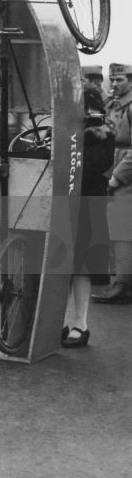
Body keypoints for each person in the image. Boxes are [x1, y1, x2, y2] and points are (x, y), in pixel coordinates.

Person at [62, 85, 113, 346]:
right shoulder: (67, 130)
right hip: (63, 203)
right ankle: (55, 322)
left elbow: (91, 168)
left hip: (87, 203)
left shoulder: (106, 136)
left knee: (82, 267)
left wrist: (83, 137)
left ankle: (80, 324)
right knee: (58, 265)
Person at [94, 63, 132, 304]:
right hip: (112, 162)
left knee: (122, 229)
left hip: (126, 169)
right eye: (113, 80)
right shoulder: (113, 104)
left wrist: (117, 176)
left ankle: (122, 286)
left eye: (120, 79)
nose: (115, 84)